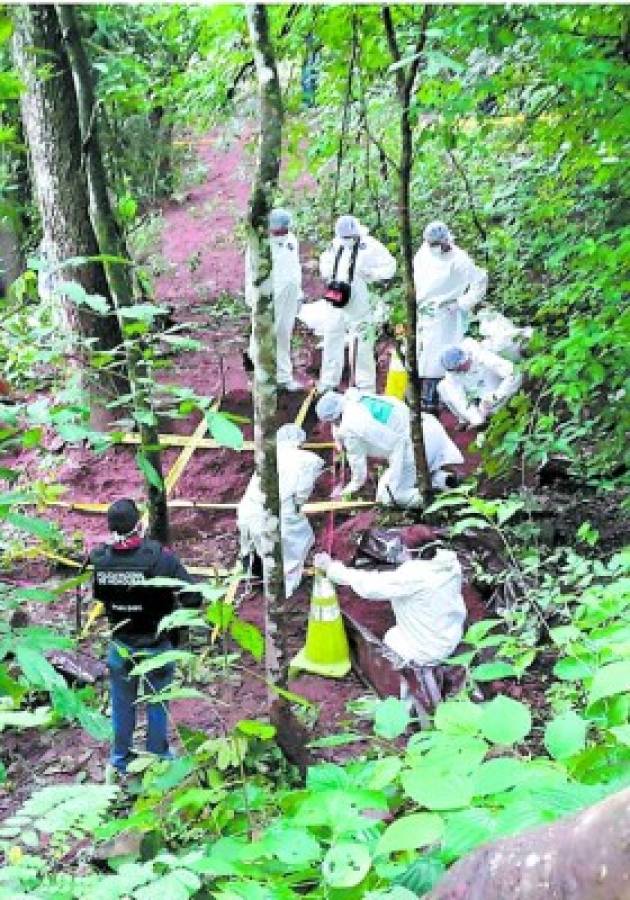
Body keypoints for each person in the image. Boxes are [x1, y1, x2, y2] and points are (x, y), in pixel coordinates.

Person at [90, 499, 201, 778]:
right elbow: (193, 596)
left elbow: (100, 596)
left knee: (121, 704)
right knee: (158, 701)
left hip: (121, 644)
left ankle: (120, 759)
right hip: (157, 644)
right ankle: (158, 757)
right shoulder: (160, 558)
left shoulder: (101, 560)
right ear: (139, 524)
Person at [313, 547, 466, 666]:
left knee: (392, 639)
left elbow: (371, 586)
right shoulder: (451, 563)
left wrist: (332, 569)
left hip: (426, 652)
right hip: (451, 637)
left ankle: (408, 684)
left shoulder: (414, 575)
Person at [315, 389, 464, 504]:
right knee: (411, 474)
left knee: (388, 495)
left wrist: (347, 491)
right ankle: (446, 481)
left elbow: (358, 468)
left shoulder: (351, 428)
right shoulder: (356, 398)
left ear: (334, 418)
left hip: (413, 445)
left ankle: (438, 502)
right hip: (427, 427)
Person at [238, 424, 324, 595]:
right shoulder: (307, 460)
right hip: (278, 512)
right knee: (297, 541)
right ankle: (285, 586)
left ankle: (256, 575)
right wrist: (297, 507)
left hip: (248, 510)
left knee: (254, 544)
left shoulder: (268, 456)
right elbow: (301, 493)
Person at [414, 221, 487, 412]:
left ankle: (438, 401)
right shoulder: (423, 253)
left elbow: (479, 281)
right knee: (422, 355)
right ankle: (425, 397)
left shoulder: (459, 259)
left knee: (441, 356)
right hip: (423, 312)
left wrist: (461, 304)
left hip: (446, 314)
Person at [318, 215, 396, 393]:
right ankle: (329, 381)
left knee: (362, 343)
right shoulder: (335, 245)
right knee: (332, 337)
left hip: (359, 299)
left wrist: (371, 273)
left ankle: (365, 385)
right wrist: (329, 274)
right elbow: (325, 262)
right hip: (336, 298)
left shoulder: (370, 246)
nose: (346, 241)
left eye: (349, 237)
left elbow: (390, 267)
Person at [244, 207, 303, 391]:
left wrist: (298, 294)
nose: (282, 233)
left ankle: (284, 378)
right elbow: (251, 275)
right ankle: (260, 376)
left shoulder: (291, 241)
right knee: (263, 336)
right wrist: (253, 299)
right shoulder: (260, 246)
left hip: (290, 295)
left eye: (285, 229)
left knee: (284, 334)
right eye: (279, 230)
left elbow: (295, 268)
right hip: (268, 296)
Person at [438, 338, 522, 427]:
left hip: (496, 384)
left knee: (492, 406)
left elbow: (514, 373)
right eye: (458, 370)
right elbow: (458, 399)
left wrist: (496, 397)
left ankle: (496, 414)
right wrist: (476, 418)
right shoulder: (452, 374)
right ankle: (464, 420)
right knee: (442, 386)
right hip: (476, 393)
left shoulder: (481, 355)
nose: (461, 370)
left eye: (462, 366)